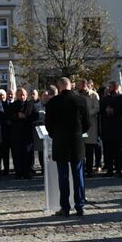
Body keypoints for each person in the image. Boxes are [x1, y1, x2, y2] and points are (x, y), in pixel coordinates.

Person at [44, 77, 90, 216]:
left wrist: (55, 135)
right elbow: (87, 123)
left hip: (60, 142)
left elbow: (48, 124)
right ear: (71, 85)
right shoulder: (81, 100)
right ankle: (80, 205)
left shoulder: (53, 102)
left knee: (63, 176)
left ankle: (65, 207)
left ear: (59, 87)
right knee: (78, 175)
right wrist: (78, 133)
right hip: (76, 142)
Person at [7, 88, 38, 179]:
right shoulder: (12, 105)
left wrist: (25, 117)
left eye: (24, 94)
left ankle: (27, 172)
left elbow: (35, 116)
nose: (22, 96)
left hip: (27, 134)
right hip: (16, 134)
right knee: (17, 155)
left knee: (28, 154)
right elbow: (8, 117)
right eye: (20, 95)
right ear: (17, 95)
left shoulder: (30, 105)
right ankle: (18, 173)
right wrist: (17, 116)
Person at [100, 81, 122, 177]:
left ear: (115, 88)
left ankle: (119, 169)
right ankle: (110, 169)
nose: (108, 88)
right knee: (108, 150)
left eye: (110, 87)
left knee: (119, 150)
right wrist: (106, 111)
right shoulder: (105, 99)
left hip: (118, 126)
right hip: (107, 127)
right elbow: (101, 111)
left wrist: (115, 111)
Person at [77, 79, 101, 176]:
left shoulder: (94, 95)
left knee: (90, 148)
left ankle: (89, 169)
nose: (78, 87)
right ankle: (81, 168)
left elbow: (97, 108)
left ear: (85, 85)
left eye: (79, 85)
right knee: (81, 148)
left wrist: (86, 114)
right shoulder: (76, 95)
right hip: (79, 124)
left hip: (91, 124)